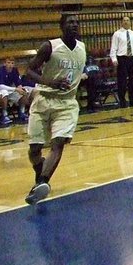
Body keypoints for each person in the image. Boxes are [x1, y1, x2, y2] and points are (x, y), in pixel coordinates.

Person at [23, 12, 86, 204]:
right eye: (70, 22)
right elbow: (28, 71)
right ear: (62, 26)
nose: (74, 25)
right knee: (34, 150)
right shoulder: (50, 46)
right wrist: (50, 82)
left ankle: (43, 182)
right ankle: (40, 169)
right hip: (43, 99)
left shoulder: (82, 48)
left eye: (76, 22)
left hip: (67, 103)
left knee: (57, 143)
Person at [109, 16, 133, 107]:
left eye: (127, 20)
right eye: (124, 21)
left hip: (132, 58)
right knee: (122, 81)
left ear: (130, 22)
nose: (126, 22)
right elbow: (113, 48)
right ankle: (122, 101)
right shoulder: (117, 34)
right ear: (121, 23)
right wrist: (114, 59)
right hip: (122, 59)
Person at [0, 57, 32, 122]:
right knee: (4, 93)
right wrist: (15, 89)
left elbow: (18, 82)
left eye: (12, 63)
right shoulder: (0, 71)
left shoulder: (14, 70)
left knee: (24, 91)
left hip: (10, 89)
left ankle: (22, 112)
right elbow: (0, 86)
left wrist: (20, 88)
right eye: (8, 63)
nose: (10, 65)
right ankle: (4, 114)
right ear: (4, 63)